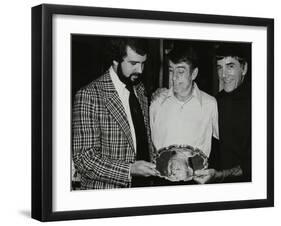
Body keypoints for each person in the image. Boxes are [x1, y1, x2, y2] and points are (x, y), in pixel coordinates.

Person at [72, 38, 159, 189]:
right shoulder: (89, 95)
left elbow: (143, 141)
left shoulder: (140, 89)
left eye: (143, 63)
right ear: (115, 60)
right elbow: (84, 159)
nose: (140, 70)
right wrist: (129, 170)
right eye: (133, 63)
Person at [150, 46, 219, 184]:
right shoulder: (156, 103)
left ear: (194, 74)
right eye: (171, 70)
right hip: (161, 182)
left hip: (197, 181)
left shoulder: (210, 104)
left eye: (180, 71)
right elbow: (150, 144)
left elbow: (218, 145)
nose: (174, 77)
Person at [194, 43, 251, 184]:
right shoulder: (216, 101)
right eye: (220, 67)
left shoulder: (260, 104)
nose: (224, 75)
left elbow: (258, 163)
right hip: (217, 182)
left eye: (230, 66)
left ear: (244, 69)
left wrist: (220, 175)